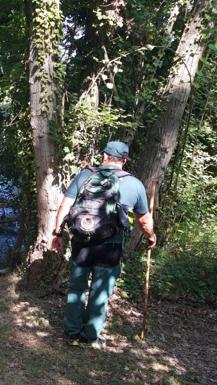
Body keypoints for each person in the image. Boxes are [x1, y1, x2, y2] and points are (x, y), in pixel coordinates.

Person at [51, 141, 156, 348]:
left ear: (104, 156)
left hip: (82, 242)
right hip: (110, 247)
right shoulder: (134, 184)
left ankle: (72, 333)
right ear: (124, 160)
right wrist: (151, 236)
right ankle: (90, 338)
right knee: (100, 292)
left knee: (77, 289)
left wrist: (57, 233)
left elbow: (65, 206)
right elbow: (144, 220)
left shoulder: (85, 176)